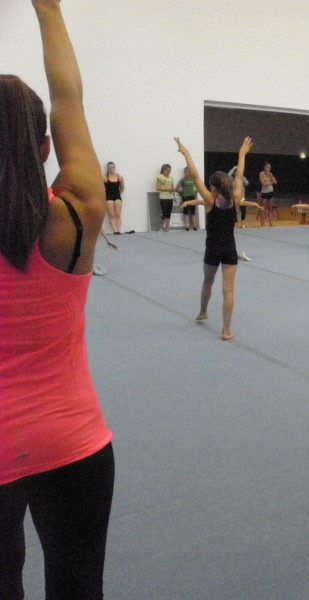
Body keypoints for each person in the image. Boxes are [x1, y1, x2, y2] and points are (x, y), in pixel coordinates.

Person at [0, 2, 115, 597]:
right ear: (45, 149)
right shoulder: (75, 214)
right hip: (71, 440)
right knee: (78, 587)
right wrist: (48, 8)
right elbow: (69, 97)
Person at [175, 136, 261, 340]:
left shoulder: (210, 200)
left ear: (213, 187)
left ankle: (203, 311)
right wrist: (242, 153)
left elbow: (195, 176)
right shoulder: (235, 199)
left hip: (212, 249)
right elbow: (239, 176)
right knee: (228, 290)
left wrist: (186, 153)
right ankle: (226, 330)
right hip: (230, 249)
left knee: (208, 281)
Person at [104, 161, 124, 235]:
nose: (111, 169)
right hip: (109, 197)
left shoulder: (119, 176)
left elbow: (122, 188)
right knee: (111, 214)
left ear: (115, 168)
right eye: (109, 168)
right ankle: (115, 230)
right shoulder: (104, 177)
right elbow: (101, 187)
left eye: (113, 167)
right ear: (108, 169)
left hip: (117, 196)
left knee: (118, 214)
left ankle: (119, 230)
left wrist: (119, 194)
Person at [177, 166, 198, 231]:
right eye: (185, 172)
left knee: (192, 212)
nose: (187, 173)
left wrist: (195, 191)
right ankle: (187, 227)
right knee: (186, 212)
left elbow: (198, 186)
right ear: (184, 172)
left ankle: (194, 226)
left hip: (192, 196)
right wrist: (180, 192)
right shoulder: (183, 179)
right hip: (185, 197)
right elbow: (178, 187)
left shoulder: (193, 179)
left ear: (190, 172)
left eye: (188, 172)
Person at [156, 163, 175, 232]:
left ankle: (167, 228)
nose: (169, 172)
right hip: (163, 197)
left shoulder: (171, 178)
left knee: (168, 213)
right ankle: (161, 228)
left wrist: (173, 190)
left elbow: (172, 187)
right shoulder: (159, 177)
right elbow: (158, 188)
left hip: (170, 197)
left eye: (170, 171)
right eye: (167, 171)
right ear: (163, 170)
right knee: (164, 212)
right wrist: (167, 189)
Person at [258, 161, 277, 227]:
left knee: (270, 209)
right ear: (264, 167)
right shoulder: (261, 174)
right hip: (264, 193)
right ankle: (262, 223)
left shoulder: (270, 174)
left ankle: (271, 223)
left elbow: (275, 182)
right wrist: (270, 182)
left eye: (269, 167)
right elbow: (263, 184)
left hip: (271, 192)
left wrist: (271, 177)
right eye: (267, 167)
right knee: (263, 208)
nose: (268, 169)